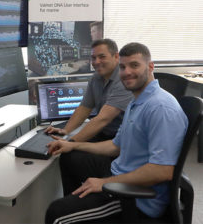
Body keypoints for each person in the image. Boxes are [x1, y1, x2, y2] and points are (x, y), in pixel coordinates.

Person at [45, 42, 188, 224]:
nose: (127, 72)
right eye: (123, 67)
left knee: (57, 214)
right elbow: (115, 146)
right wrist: (71, 144)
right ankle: (80, 207)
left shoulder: (161, 108)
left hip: (136, 199)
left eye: (134, 65)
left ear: (151, 67)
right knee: (70, 157)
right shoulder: (137, 101)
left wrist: (103, 183)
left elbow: (162, 171)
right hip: (120, 172)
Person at [45, 39, 132, 143]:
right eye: (93, 58)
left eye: (102, 57)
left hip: (120, 140)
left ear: (116, 57)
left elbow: (103, 119)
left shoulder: (124, 80)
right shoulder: (96, 78)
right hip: (103, 133)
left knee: (70, 155)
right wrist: (65, 131)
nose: (96, 62)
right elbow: (84, 108)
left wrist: (70, 142)